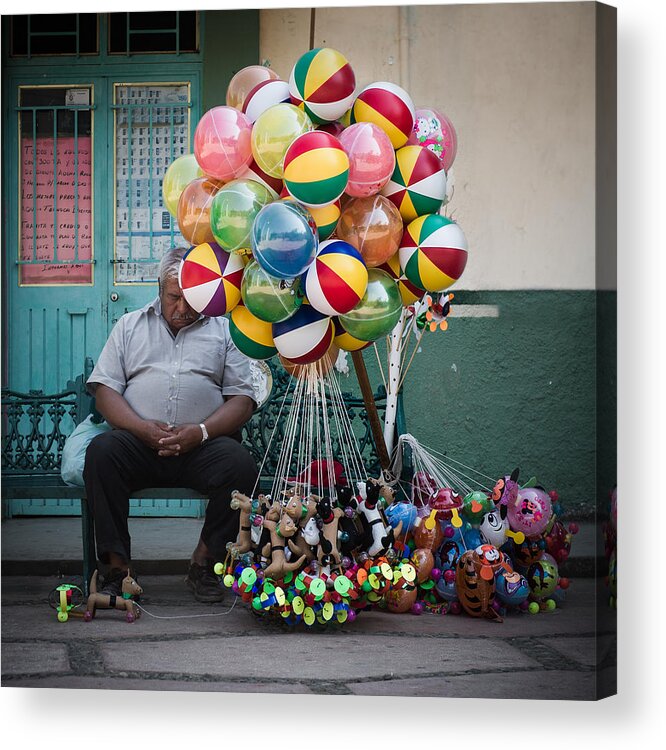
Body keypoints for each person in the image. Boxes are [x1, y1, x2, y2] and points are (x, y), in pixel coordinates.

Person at [83, 246, 258, 603]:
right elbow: (104, 391)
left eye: (191, 298)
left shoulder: (224, 332)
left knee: (240, 464)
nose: (182, 308)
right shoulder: (129, 326)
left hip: (201, 447)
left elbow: (242, 399)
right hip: (139, 443)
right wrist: (140, 428)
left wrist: (202, 432)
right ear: (159, 290)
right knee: (101, 453)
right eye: (173, 297)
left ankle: (205, 563)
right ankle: (117, 570)